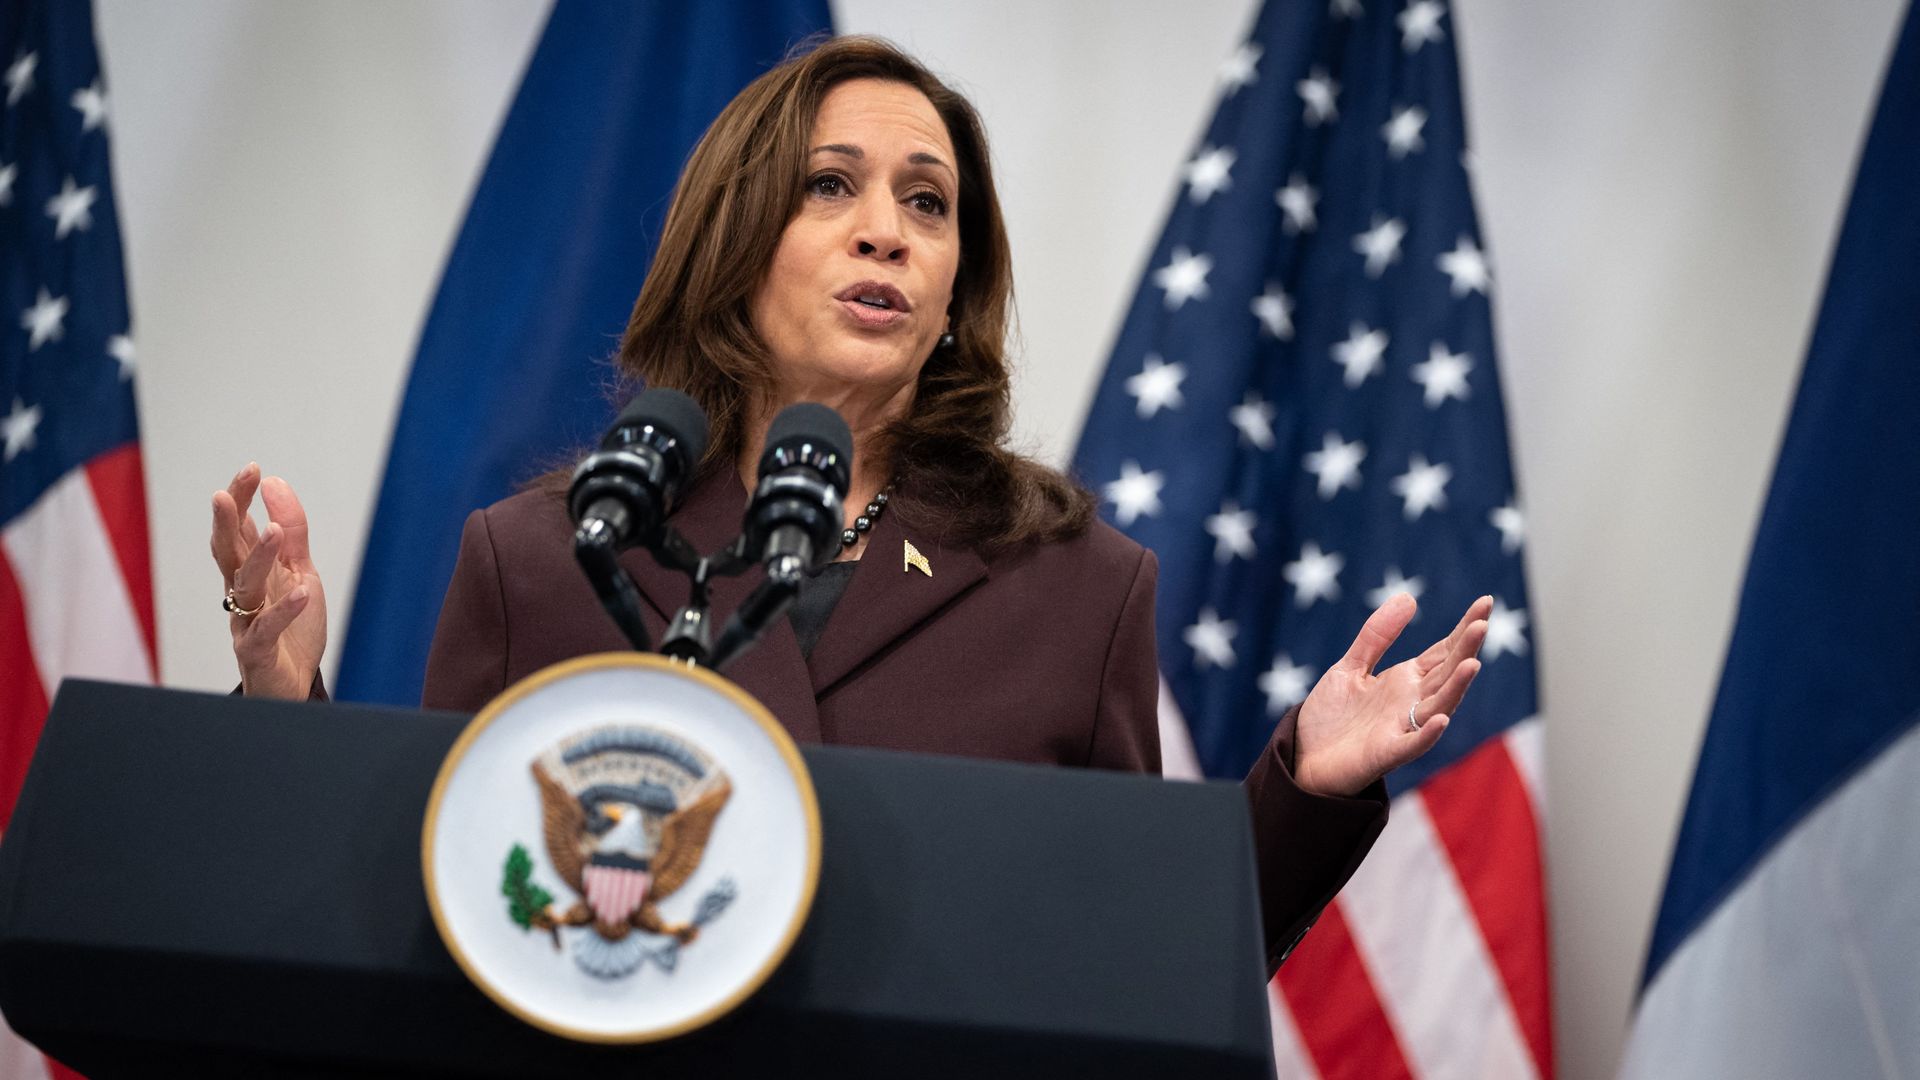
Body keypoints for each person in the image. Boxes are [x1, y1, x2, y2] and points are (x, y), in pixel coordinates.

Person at [207, 37, 1489, 976]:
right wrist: (287, 704)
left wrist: (1305, 789)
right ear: (736, 242)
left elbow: (1140, 967)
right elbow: (432, 922)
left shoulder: (1076, 587)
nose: (888, 232)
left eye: (928, 205)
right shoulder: (545, 557)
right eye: (831, 186)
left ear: (951, 296)